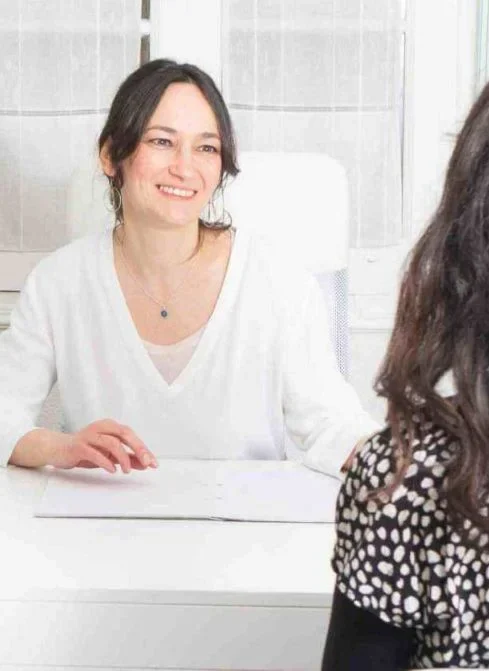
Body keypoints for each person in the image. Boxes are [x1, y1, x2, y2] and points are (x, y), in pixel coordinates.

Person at [1, 58, 377, 476]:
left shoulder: (278, 280)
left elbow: (334, 424)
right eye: (162, 141)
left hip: (245, 515)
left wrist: (401, 461)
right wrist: (61, 447)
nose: (184, 168)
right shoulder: (58, 283)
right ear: (110, 155)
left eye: (206, 148)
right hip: (100, 512)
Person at [322, 79, 489, 669]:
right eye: (163, 141)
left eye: (206, 146)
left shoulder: (406, 480)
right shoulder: (68, 279)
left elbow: (321, 410)